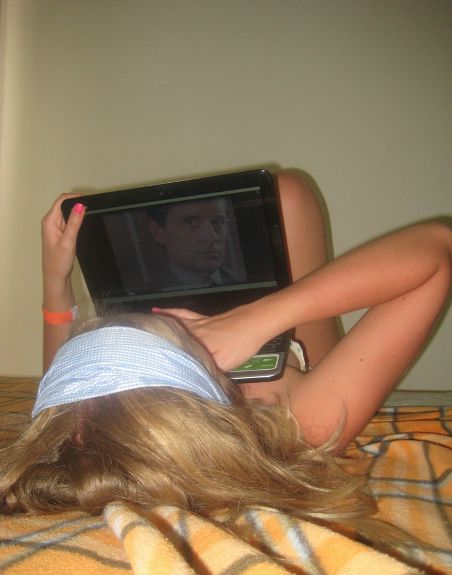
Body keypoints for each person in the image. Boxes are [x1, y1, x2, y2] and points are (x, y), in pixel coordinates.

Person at [0, 172, 451, 548]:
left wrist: (55, 278)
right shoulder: (299, 424)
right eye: (178, 332)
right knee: (290, 191)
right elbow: (437, 249)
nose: (180, 317)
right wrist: (258, 319)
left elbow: (65, 393)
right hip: (299, 357)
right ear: (205, 376)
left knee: (279, 194)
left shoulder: (85, 429)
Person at [147, 196, 241, 287]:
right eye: (191, 222)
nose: (212, 238)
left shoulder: (241, 281)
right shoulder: (151, 294)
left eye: (217, 222)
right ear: (158, 232)